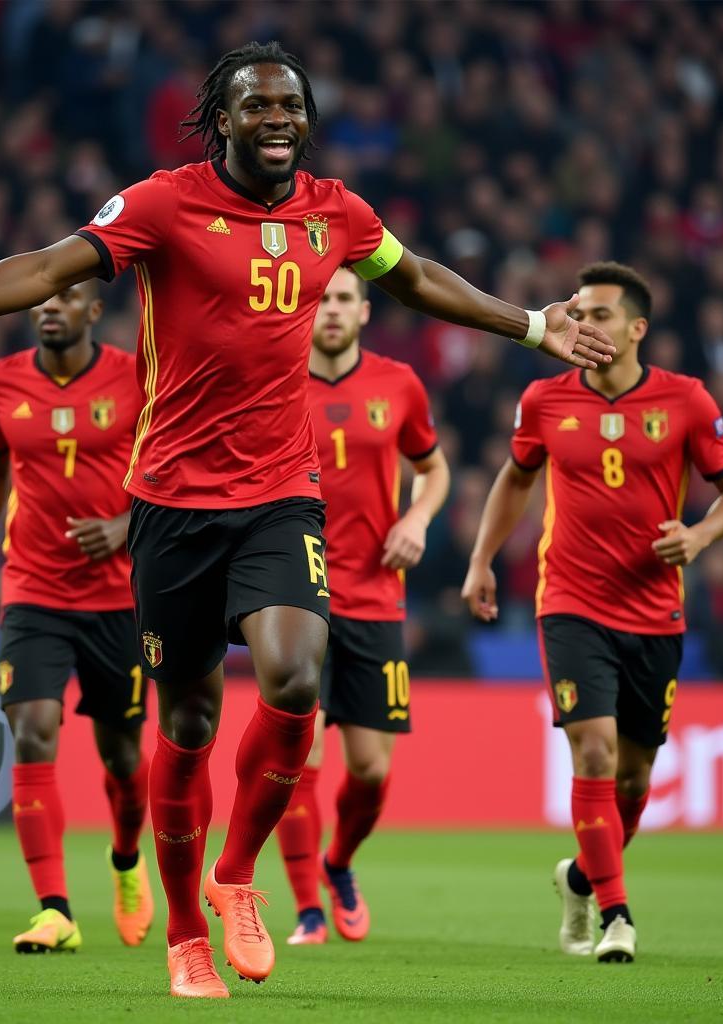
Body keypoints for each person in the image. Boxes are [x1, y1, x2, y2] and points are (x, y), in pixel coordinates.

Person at [0, 42, 613, 997]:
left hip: (280, 494)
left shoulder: (337, 212)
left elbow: (419, 278)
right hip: (169, 506)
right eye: (257, 107)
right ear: (222, 120)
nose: (278, 120)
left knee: (293, 677)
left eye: (292, 106)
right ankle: (185, 928)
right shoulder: (163, 202)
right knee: (187, 721)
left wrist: (529, 325)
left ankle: (236, 876)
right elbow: (46, 265)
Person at [461, 261, 723, 963]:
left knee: (634, 778)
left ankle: (582, 877)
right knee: (591, 749)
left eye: (599, 315)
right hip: (569, 601)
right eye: (578, 313)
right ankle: (617, 916)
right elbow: (514, 478)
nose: (584, 324)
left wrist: (701, 534)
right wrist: (480, 560)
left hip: (655, 611)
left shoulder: (684, 400)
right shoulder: (543, 399)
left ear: (636, 329)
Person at [0, 281, 153, 953]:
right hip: (34, 589)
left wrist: (128, 524)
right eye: (43, 301)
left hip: (120, 598)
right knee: (33, 730)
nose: (48, 308)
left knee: (123, 756)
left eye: (66, 298)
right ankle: (55, 910)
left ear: (95, 312)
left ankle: (126, 860)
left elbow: (176, 466)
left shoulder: (135, 376)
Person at [276, 267, 449, 944]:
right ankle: (305, 909)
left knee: (372, 771)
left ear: (365, 311)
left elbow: (433, 468)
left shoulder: (399, 384)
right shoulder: (277, 383)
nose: (331, 311)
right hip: (298, 596)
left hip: (378, 597)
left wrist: (418, 521)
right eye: (319, 299)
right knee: (299, 757)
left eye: (344, 298)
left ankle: (338, 863)